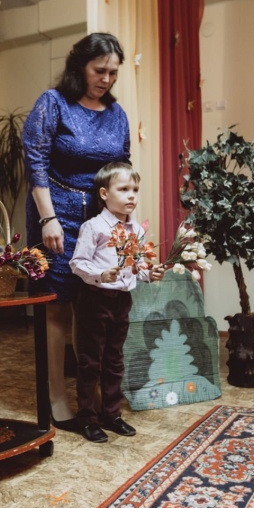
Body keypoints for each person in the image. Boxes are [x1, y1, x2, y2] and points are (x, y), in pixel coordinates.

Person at [23, 33, 131, 432]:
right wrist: (48, 219)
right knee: (58, 304)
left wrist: (123, 223)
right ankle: (56, 397)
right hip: (57, 215)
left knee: (94, 307)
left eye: (113, 73)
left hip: (100, 221)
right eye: (99, 70)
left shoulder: (116, 113)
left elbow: (122, 170)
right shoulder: (53, 103)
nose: (106, 79)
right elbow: (35, 161)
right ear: (79, 67)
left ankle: (95, 400)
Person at [69, 162, 164, 442]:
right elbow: (77, 263)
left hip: (122, 302)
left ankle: (112, 414)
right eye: (123, 189)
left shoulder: (136, 231)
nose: (131, 195)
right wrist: (101, 275)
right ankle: (87, 418)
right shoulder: (94, 227)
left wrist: (149, 273)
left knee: (114, 360)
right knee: (90, 362)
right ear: (104, 194)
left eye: (135, 189)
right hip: (94, 300)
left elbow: (137, 266)